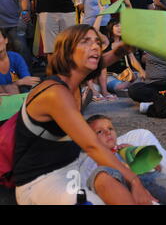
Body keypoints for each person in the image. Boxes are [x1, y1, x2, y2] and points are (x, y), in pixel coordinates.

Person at [12, 24, 157, 205]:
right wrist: (134, 181)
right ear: (67, 51)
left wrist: (122, 50)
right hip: (43, 181)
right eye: (86, 42)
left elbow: (102, 61)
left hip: (76, 163)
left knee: (142, 136)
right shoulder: (55, 92)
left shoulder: (74, 81)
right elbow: (92, 146)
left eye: (97, 42)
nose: (95, 46)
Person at [82, 115, 166, 205]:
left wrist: (135, 153)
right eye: (99, 131)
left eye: (110, 129)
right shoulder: (91, 157)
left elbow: (156, 169)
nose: (107, 133)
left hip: (146, 178)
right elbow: (97, 177)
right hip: (121, 185)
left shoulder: (124, 148)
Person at [128, 21, 166, 118]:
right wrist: (141, 70)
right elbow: (131, 52)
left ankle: (153, 106)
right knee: (133, 90)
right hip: (152, 85)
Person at [105, 20, 145, 96]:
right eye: (117, 26)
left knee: (146, 77)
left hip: (126, 74)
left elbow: (133, 61)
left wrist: (142, 71)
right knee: (119, 87)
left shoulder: (125, 43)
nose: (120, 28)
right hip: (110, 75)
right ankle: (131, 87)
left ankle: (130, 88)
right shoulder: (106, 43)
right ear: (111, 28)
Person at [0, 28, 40, 95]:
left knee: (25, 89)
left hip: (16, 96)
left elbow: (27, 79)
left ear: (6, 40)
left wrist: (17, 83)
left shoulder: (15, 58)